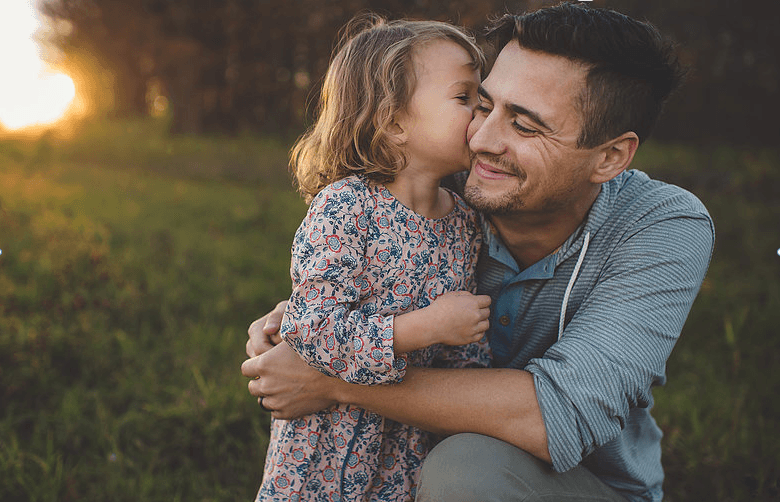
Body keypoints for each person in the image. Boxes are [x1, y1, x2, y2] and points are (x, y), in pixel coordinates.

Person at [243, 3, 715, 501]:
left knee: (468, 467)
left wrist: (336, 380)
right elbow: (352, 287)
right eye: (482, 104)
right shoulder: (436, 189)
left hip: (586, 487)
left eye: (527, 127)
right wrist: (292, 321)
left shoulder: (662, 224)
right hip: (399, 466)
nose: (482, 139)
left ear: (610, 156)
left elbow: (561, 416)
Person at [252, 16, 493, 502]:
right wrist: (426, 327)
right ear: (394, 122)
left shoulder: (465, 221)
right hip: (328, 442)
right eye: (464, 98)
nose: (483, 115)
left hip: (407, 437)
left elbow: (460, 347)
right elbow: (314, 332)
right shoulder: (345, 206)